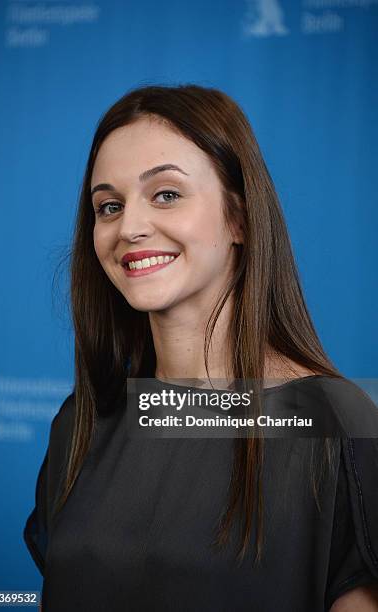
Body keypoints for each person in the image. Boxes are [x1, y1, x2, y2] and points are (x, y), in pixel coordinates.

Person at [23, 84, 378, 611]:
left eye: (166, 194)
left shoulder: (332, 423)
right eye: (109, 206)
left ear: (240, 217)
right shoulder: (81, 424)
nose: (131, 228)